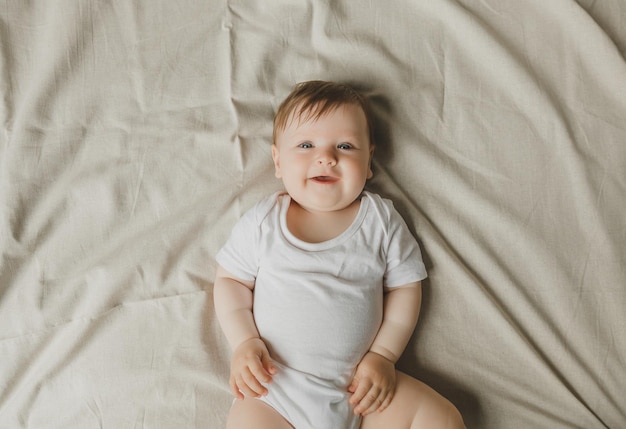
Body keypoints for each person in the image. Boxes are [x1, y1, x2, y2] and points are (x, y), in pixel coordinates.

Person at [214, 80, 465, 429]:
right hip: (274, 392)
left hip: (362, 390)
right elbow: (229, 280)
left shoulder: (381, 220)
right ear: (277, 161)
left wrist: (383, 356)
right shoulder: (263, 222)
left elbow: (407, 287)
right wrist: (244, 342)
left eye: (345, 146)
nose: (326, 157)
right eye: (305, 145)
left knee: (442, 418)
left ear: (369, 161)